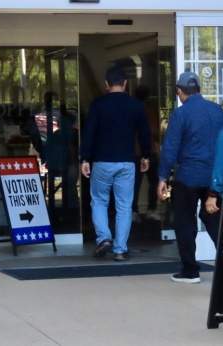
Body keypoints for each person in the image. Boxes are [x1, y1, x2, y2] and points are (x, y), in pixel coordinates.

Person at [157, 71, 223, 283]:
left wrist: (162, 177)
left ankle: (190, 270)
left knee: (185, 222)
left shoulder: (181, 113)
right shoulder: (217, 110)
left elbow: (171, 147)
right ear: (199, 90)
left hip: (188, 176)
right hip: (214, 176)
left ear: (179, 91)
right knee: (215, 221)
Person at [80, 66, 151, 261]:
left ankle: (103, 238)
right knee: (124, 206)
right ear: (125, 83)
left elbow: (89, 132)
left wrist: (84, 158)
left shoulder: (98, 104)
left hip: (102, 161)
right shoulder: (135, 105)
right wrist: (146, 156)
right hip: (127, 162)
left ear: (106, 84)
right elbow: (144, 133)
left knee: (99, 201)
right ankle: (120, 249)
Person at [132, 85, 160, 222]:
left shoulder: (130, 111)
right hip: (150, 151)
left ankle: (133, 211)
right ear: (147, 98)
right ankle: (151, 209)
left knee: (134, 183)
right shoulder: (148, 112)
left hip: (134, 151)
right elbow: (154, 132)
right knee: (154, 181)